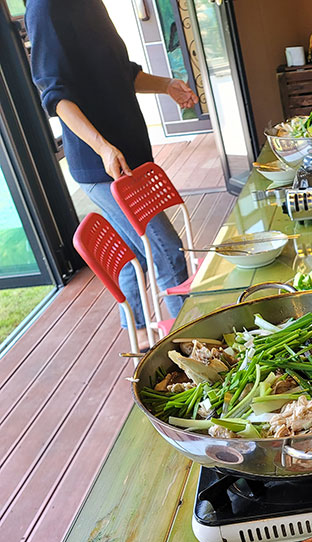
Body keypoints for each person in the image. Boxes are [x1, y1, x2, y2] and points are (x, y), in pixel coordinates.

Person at [25, 0, 199, 343]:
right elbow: (55, 95)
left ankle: (140, 337)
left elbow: (121, 72)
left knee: (135, 255)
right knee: (167, 252)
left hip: (131, 159)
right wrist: (102, 146)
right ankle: (193, 345)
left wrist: (167, 85)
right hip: (102, 167)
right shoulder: (45, 7)